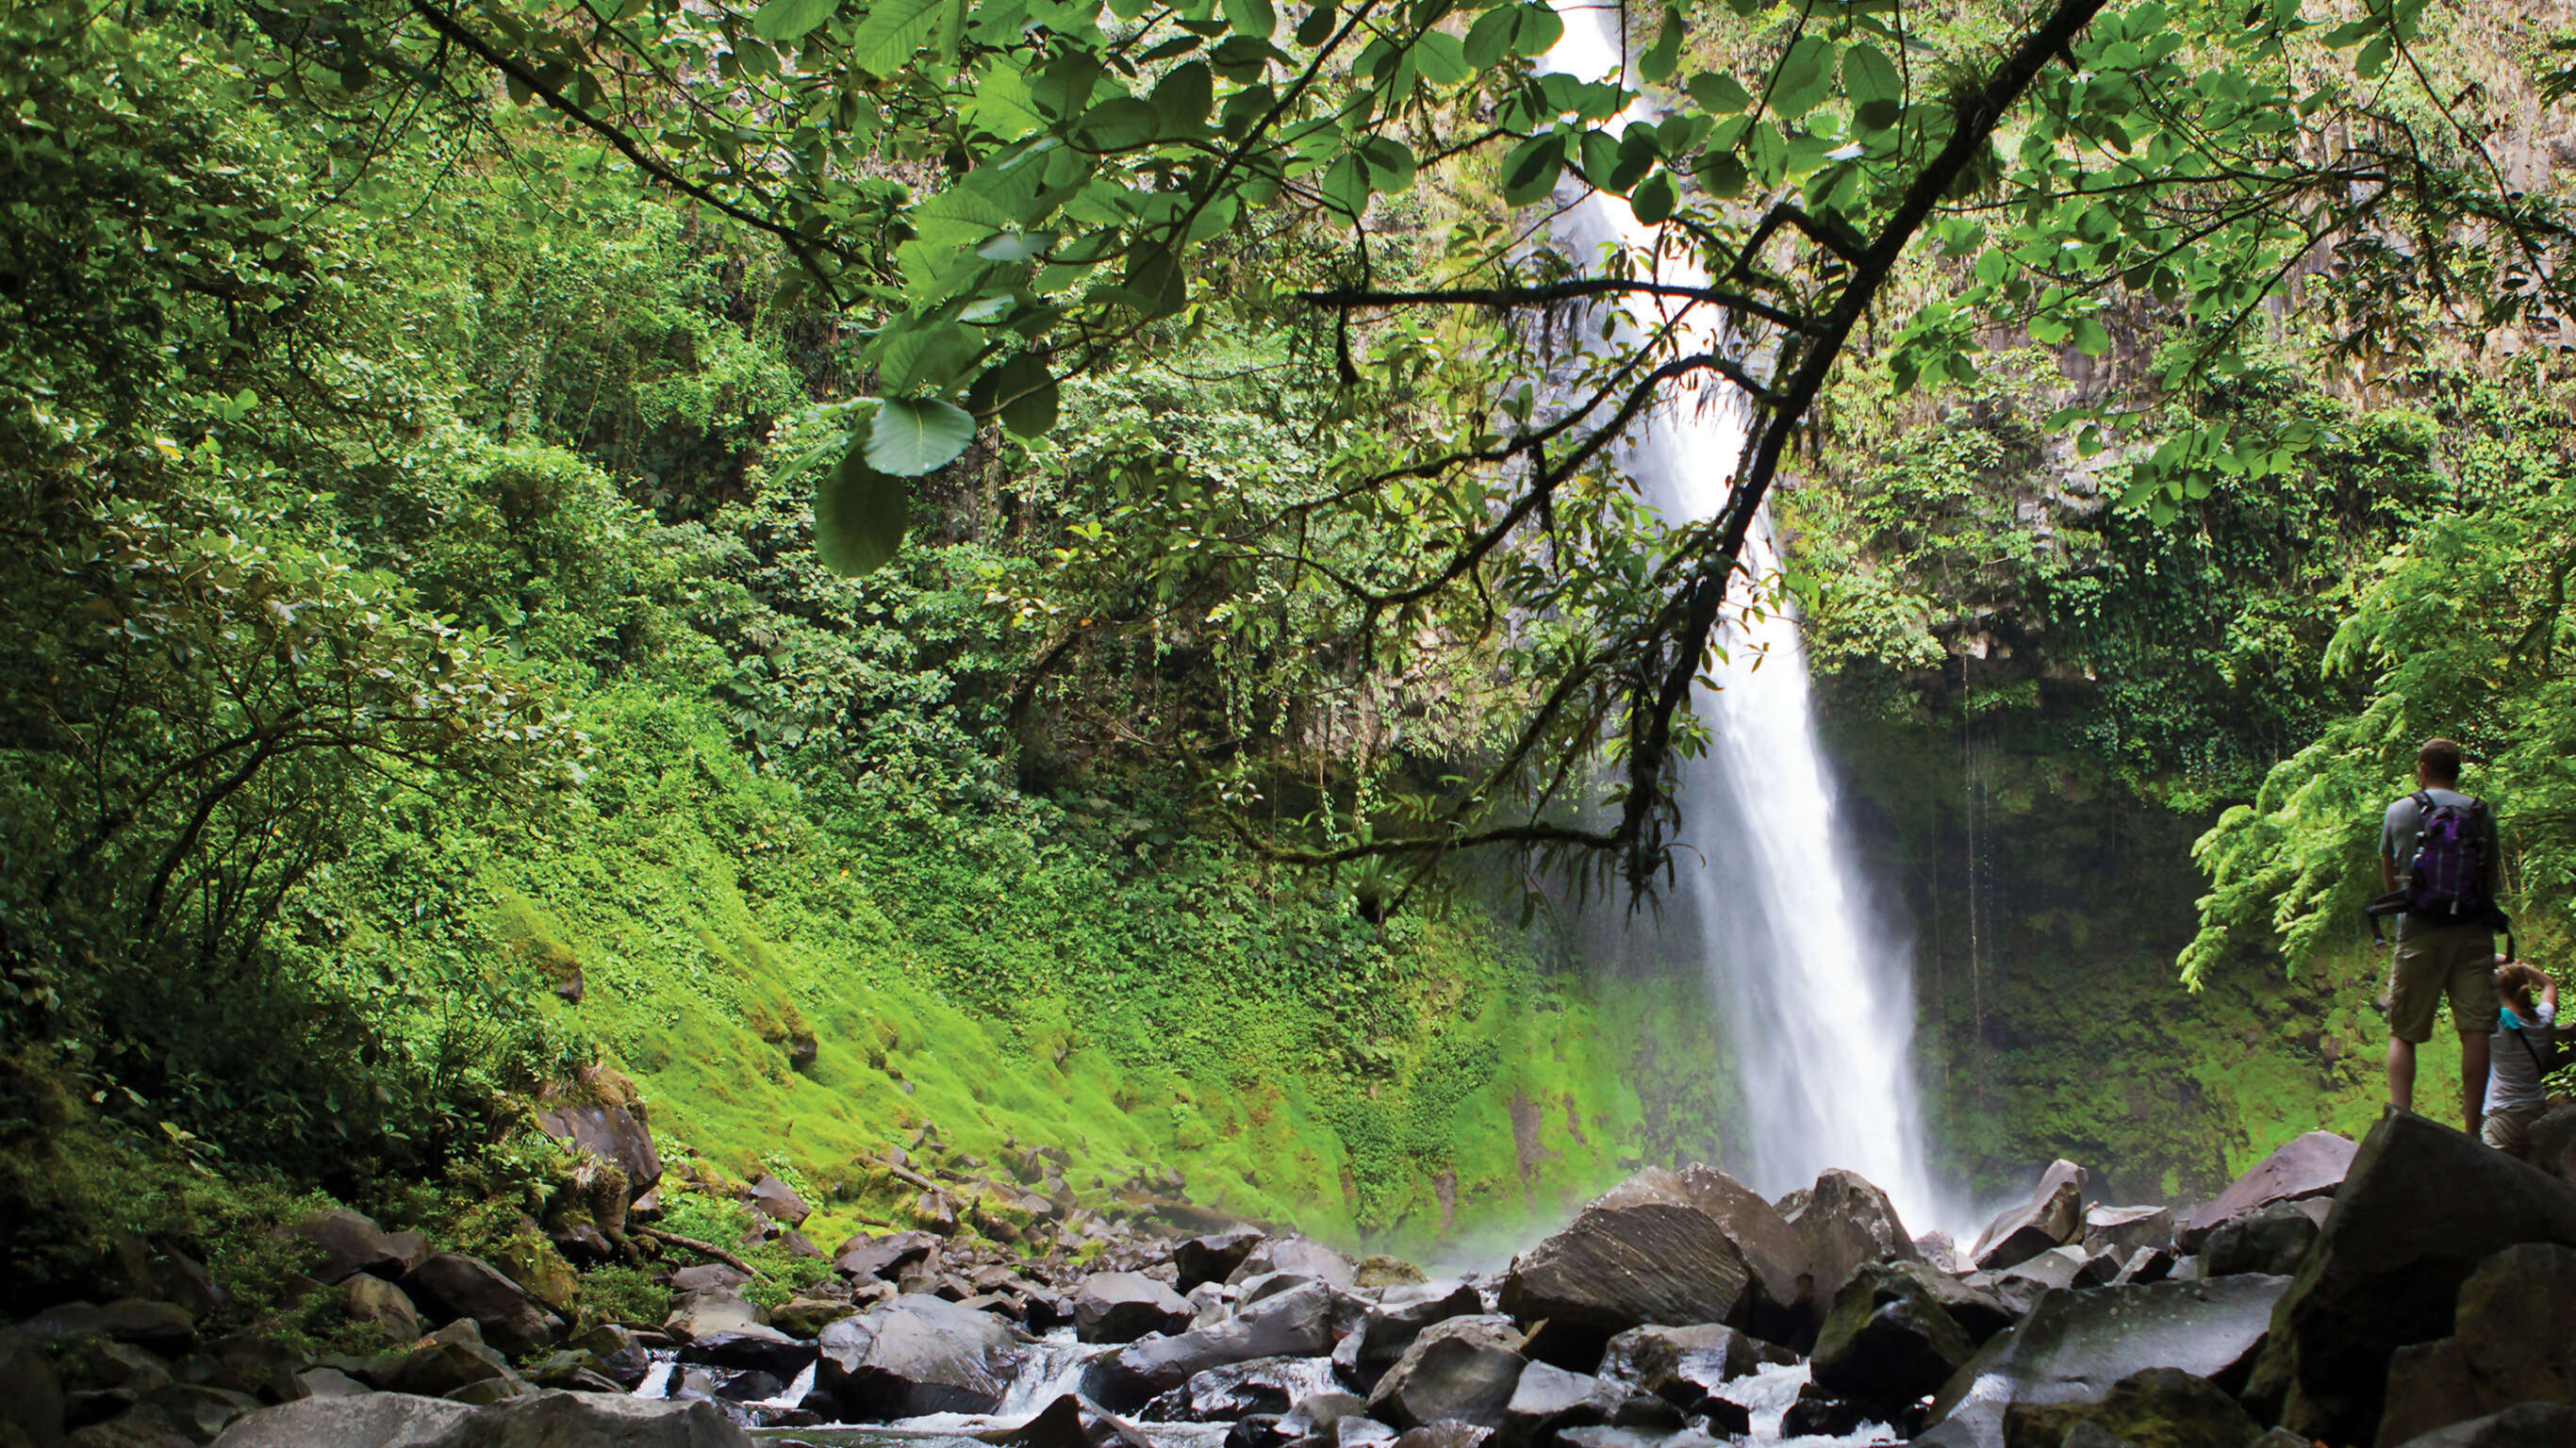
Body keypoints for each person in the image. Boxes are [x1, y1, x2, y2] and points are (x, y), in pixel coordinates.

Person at [2378, 737, 2503, 1135]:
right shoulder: (2481, 813)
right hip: (2472, 932)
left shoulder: (2399, 811)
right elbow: (2490, 881)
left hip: (2419, 931)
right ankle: (2473, 1131)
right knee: (2475, 1030)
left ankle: (2400, 1125)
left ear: (2423, 768)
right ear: (2457, 771)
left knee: (2403, 1032)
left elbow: (2390, 878)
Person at [2484, 961, 2563, 1157]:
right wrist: (2519, 967)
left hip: (2505, 1117)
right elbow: (2549, 984)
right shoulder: (2543, 1020)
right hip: (2537, 1111)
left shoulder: (2497, 1027)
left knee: (2492, 1167)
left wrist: (2502, 960)